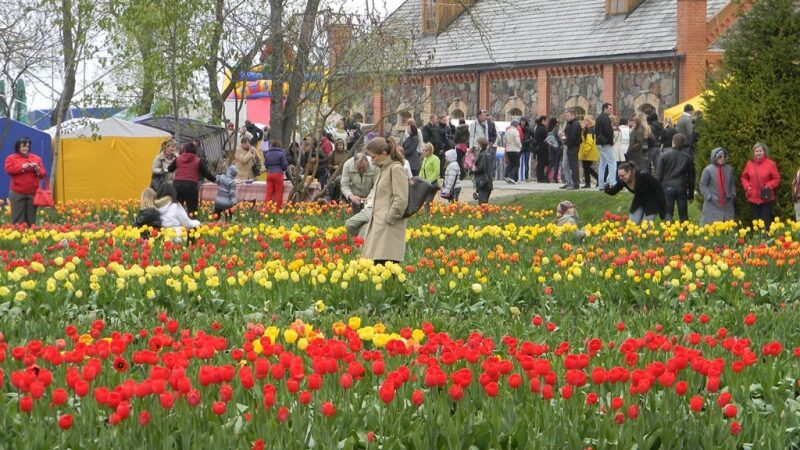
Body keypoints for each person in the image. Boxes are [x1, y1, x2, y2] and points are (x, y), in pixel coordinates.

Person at [362, 137, 409, 265]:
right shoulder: (384, 169)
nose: (372, 160)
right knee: (378, 269)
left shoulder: (395, 169)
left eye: (373, 157)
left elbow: (401, 198)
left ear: (384, 154)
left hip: (388, 228)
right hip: (380, 226)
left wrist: (390, 217)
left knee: (387, 270)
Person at [5, 137, 47, 226]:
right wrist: (22, 167)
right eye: (23, 146)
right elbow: (9, 170)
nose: (25, 148)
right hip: (17, 193)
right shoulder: (11, 158)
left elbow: (43, 174)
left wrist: (37, 168)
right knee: (17, 218)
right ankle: (17, 235)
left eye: (27, 146)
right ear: (18, 147)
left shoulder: (36, 158)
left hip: (32, 193)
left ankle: (30, 236)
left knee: (31, 219)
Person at [167, 142, 217, 215]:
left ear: (185, 150)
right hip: (191, 185)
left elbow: (170, 169)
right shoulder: (197, 160)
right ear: (195, 151)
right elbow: (206, 173)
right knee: (192, 208)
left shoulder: (178, 158)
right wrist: (215, 180)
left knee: (177, 207)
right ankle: (192, 223)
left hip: (177, 184)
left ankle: (176, 224)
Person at [655, 133, 695, 222]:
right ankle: (685, 231)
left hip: (667, 186)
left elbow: (658, 175)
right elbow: (691, 177)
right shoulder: (688, 158)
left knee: (668, 213)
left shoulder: (664, 156)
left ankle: (669, 232)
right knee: (683, 214)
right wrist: (691, 194)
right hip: (681, 186)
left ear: (673, 142)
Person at [741, 142, 780, 231]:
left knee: (765, 222)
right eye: (756, 151)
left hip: (766, 198)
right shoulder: (749, 164)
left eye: (760, 151)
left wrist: (768, 185)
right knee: (756, 222)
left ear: (764, 152)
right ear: (754, 152)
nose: (758, 153)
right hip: (753, 198)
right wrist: (747, 186)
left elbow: (777, 179)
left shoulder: (771, 164)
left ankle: (766, 242)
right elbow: (744, 177)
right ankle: (757, 242)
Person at [699, 147, 736, 225]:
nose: (722, 159)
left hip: (727, 203)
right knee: (712, 227)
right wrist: (709, 196)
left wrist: (732, 194)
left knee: (727, 227)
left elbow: (732, 183)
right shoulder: (708, 170)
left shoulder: (729, 169)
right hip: (712, 203)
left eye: (723, 157)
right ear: (715, 157)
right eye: (720, 157)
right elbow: (703, 185)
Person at [264, 139, 289, 210]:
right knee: (278, 194)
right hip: (278, 174)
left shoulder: (267, 153)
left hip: (269, 174)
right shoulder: (282, 153)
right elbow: (285, 165)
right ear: (279, 145)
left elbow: (265, 164)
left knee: (268, 193)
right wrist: (282, 169)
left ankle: (266, 210)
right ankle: (277, 211)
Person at [596, 103, 616, 190]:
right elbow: (609, 132)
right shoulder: (606, 119)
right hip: (606, 143)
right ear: (605, 108)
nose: (611, 110)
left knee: (602, 164)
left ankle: (601, 184)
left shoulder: (598, 118)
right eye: (610, 108)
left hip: (599, 143)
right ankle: (612, 183)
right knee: (612, 163)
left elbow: (596, 131)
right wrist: (611, 142)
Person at [562, 109, 582, 190]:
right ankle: (570, 182)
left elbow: (573, 137)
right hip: (570, 146)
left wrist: (567, 141)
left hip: (573, 146)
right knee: (568, 165)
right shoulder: (570, 124)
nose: (566, 117)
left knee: (574, 166)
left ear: (573, 115)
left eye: (568, 115)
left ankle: (576, 184)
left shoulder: (575, 124)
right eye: (566, 115)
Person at [578, 116, 599, 188]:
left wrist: (585, 151)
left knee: (586, 168)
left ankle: (588, 183)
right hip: (590, 151)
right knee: (587, 167)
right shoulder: (592, 129)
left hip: (588, 151)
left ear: (589, 121)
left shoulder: (589, 129)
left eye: (586, 121)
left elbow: (589, 142)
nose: (584, 122)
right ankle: (597, 179)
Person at [420, 142, 441, 209]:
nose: (424, 152)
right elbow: (422, 170)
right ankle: (427, 216)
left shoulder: (435, 159)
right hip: (425, 184)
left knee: (427, 202)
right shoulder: (425, 159)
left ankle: (427, 217)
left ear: (430, 150)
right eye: (423, 150)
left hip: (432, 184)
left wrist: (429, 181)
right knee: (424, 202)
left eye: (426, 150)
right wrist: (420, 180)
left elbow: (436, 172)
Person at [473, 137, 493, 204]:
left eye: (477, 144)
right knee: (485, 203)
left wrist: (473, 169)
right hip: (488, 182)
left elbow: (481, 168)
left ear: (480, 145)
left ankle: (484, 214)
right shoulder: (488, 155)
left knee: (482, 204)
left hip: (483, 182)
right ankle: (486, 214)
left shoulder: (482, 155)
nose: (476, 146)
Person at [504, 119, 522, 184]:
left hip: (508, 149)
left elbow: (505, 141)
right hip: (515, 149)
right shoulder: (515, 131)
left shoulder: (507, 131)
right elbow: (517, 141)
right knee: (516, 164)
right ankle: (511, 177)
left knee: (511, 164)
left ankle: (508, 176)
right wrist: (520, 146)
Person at [545, 117, 563, 184]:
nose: (558, 123)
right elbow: (558, 139)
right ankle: (555, 177)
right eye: (557, 122)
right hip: (556, 147)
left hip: (551, 147)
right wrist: (561, 143)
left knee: (551, 163)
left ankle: (546, 176)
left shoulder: (549, 129)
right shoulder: (555, 129)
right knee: (557, 163)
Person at [533, 115, 549, 183]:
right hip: (542, 148)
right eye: (546, 121)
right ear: (543, 121)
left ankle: (540, 177)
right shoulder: (542, 128)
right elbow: (546, 138)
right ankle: (541, 178)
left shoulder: (538, 127)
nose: (547, 122)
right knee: (541, 163)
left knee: (540, 163)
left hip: (539, 148)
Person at [518, 117, 534, 182]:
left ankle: (526, 177)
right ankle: (516, 176)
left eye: (524, 121)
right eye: (522, 121)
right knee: (517, 161)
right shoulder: (519, 128)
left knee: (526, 162)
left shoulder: (529, 129)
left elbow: (533, 136)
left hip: (527, 146)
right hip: (520, 146)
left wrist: (530, 140)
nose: (523, 123)